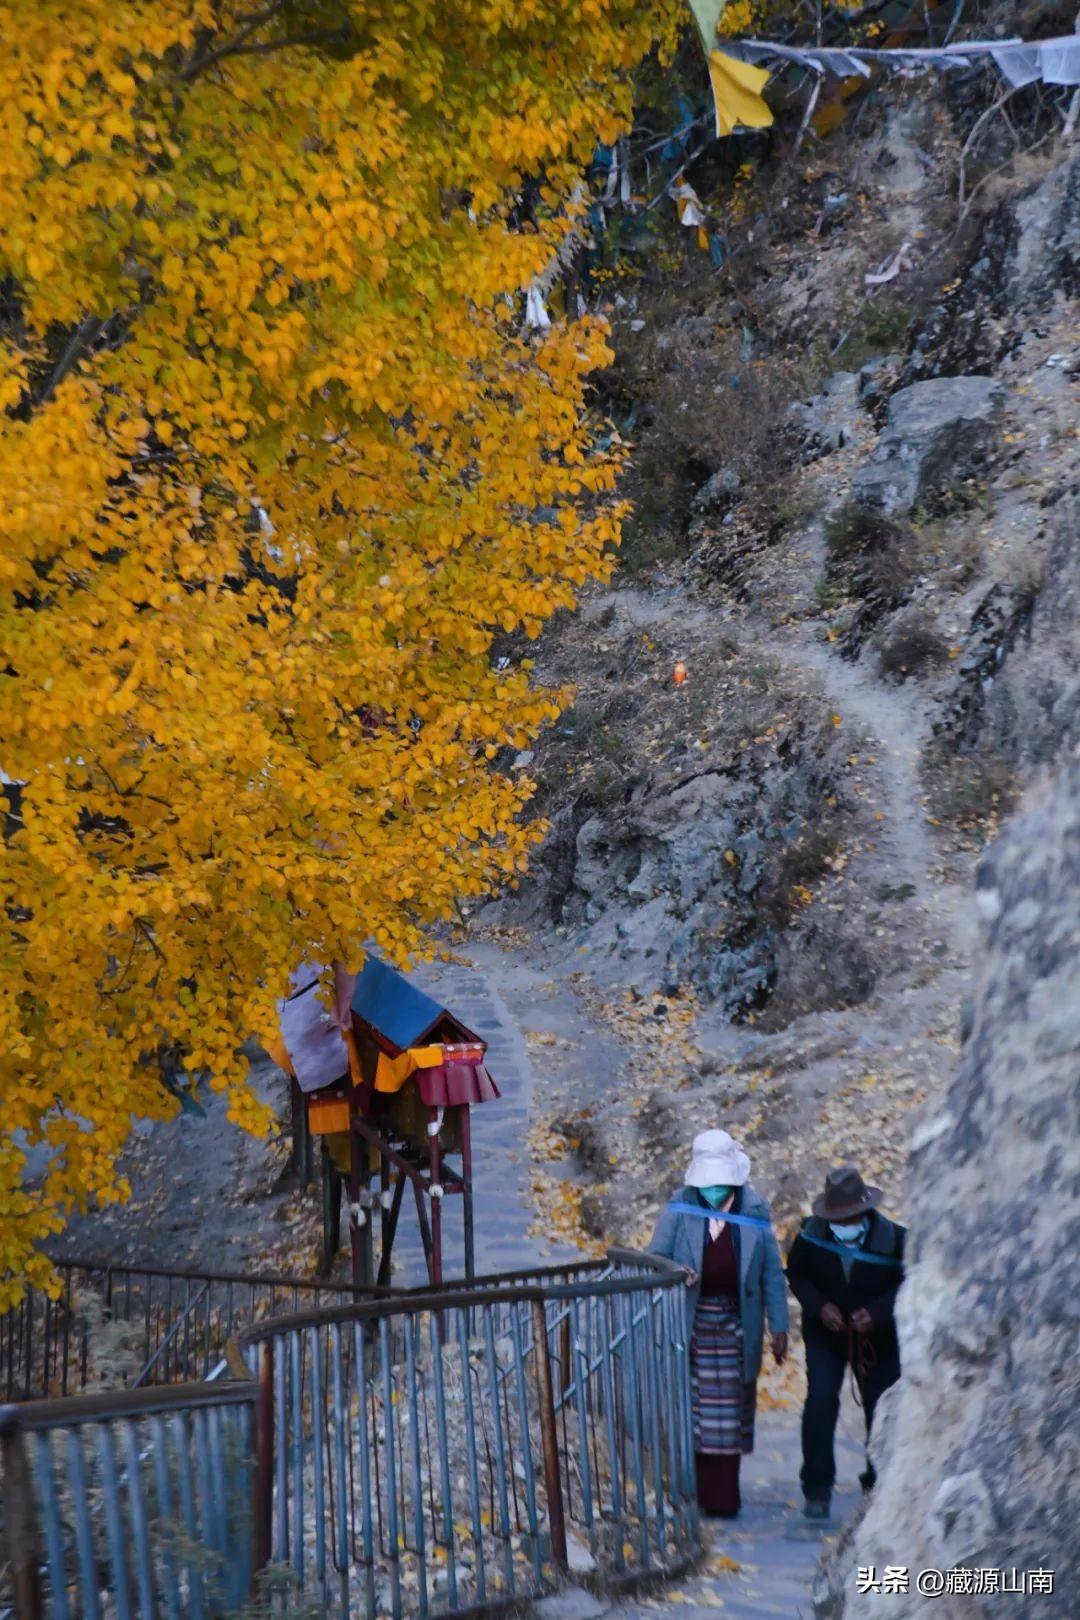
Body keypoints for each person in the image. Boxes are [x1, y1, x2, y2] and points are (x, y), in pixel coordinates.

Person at [649, 1129, 789, 1518]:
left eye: (719, 1184)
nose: (712, 1190)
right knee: (694, 1414)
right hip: (692, 1326)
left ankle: (723, 1499)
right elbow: (654, 1259)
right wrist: (677, 1272)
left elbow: (771, 1274)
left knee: (727, 1418)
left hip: (734, 1325)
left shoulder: (753, 1211)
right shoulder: (681, 1208)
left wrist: (779, 1326)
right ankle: (692, 1495)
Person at [786, 1165, 906, 1520]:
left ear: (865, 1211)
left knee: (880, 1406)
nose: (845, 1224)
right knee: (821, 1400)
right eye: (839, 1218)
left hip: (878, 1339)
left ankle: (879, 1482)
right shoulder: (810, 1237)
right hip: (827, 1334)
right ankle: (817, 1487)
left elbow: (911, 1281)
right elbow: (797, 1274)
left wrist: (879, 1313)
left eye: (851, 1217)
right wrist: (820, 1306)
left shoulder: (896, 1240)